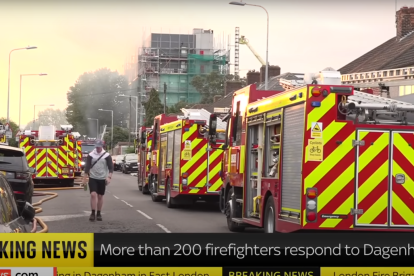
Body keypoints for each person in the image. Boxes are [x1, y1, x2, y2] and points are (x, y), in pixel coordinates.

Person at [83, 139, 113, 221]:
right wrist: (85, 178)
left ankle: (98, 213)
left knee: (100, 196)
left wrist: (109, 177)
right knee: (93, 194)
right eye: (96, 147)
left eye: (99, 147)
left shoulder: (106, 155)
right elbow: (87, 166)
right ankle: (93, 213)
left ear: (102, 146)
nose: (98, 149)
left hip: (102, 178)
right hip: (93, 178)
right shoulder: (91, 155)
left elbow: (110, 167)